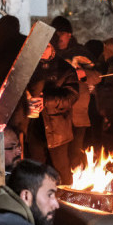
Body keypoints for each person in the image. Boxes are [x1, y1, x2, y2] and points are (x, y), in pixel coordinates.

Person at [26, 43, 79, 185]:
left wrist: (47, 100)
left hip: (58, 130)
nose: (42, 49)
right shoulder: (28, 66)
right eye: (40, 44)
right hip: (34, 128)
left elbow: (71, 96)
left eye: (47, 46)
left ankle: (66, 204)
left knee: (61, 171)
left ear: (52, 48)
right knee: (36, 171)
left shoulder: (65, 69)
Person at [50, 16, 99, 170]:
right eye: (55, 33)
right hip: (56, 116)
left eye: (61, 33)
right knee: (57, 160)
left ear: (69, 34)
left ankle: (75, 190)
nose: (58, 37)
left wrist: (79, 73)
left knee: (74, 157)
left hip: (78, 116)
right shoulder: (49, 54)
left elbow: (97, 76)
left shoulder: (80, 52)